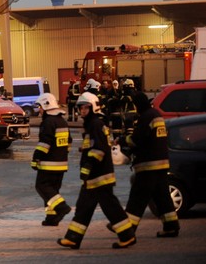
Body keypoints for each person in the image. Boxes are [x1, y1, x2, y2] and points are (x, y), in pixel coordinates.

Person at [58, 92, 136, 250]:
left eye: (85, 108)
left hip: (99, 175)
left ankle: (127, 236)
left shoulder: (95, 124)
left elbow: (99, 150)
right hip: (96, 176)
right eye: (80, 108)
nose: (82, 111)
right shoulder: (93, 123)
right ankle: (73, 238)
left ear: (93, 107)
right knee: (84, 207)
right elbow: (95, 145)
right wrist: (85, 150)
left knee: (110, 207)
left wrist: (87, 166)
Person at [116, 90, 180, 238]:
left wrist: (122, 140)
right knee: (162, 197)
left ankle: (128, 229)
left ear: (138, 104)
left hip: (148, 165)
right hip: (162, 163)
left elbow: (137, 140)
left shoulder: (146, 117)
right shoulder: (157, 115)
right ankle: (171, 226)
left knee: (137, 197)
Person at [32, 93, 72, 226]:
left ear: (46, 105)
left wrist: (36, 157)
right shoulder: (62, 121)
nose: (39, 110)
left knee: (42, 187)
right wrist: (62, 154)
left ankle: (62, 207)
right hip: (61, 164)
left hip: (49, 164)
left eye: (40, 107)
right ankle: (52, 218)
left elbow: (45, 143)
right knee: (53, 192)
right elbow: (69, 142)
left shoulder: (48, 122)